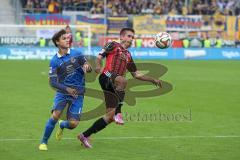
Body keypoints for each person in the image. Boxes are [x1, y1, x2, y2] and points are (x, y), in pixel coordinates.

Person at [77, 28, 162, 148]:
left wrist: (153, 79)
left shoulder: (128, 55)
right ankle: (119, 112)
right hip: (106, 76)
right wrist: (97, 66)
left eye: (133, 37)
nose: (131, 39)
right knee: (123, 80)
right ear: (121, 37)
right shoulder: (113, 45)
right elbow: (100, 56)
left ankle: (84, 135)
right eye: (129, 36)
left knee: (109, 116)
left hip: (114, 83)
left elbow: (136, 74)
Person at [38, 29, 92, 151]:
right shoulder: (54, 61)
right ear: (57, 42)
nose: (67, 40)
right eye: (64, 38)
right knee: (55, 115)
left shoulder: (77, 53)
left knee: (73, 124)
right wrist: (67, 89)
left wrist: (88, 68)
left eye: (68, 38)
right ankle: (43, 142)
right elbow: (52, 82)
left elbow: (87, 67)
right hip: (63, 92)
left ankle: (62, 124)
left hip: (78, 93)